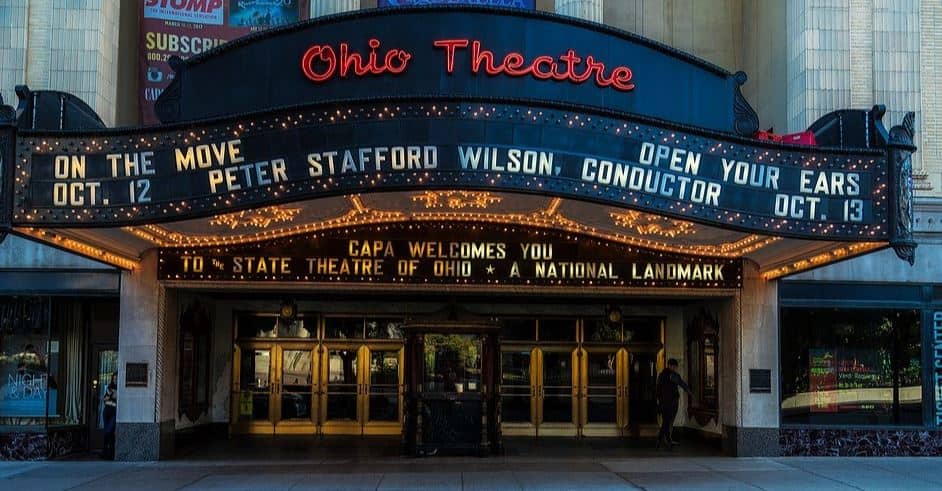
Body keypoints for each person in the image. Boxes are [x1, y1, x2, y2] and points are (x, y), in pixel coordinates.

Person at [655, 358, 690, 450]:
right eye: (674, 366)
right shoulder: (673, 375)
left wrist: (659, 402)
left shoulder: (661, 375)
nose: (675, 368)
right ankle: (665, 440)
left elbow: (658, 390)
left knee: (666, 421)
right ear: (670, 365)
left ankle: (664, 439)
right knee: (667, 421)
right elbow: (681, 383)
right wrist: (688, 391)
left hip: (664, 402)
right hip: (672, 402)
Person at [102, 372, 117, 460]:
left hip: (114, 414)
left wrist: (113, 402)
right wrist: (113, 402)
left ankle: (110, 453)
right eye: (114, 378)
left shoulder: (120, 388)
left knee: (110, 432)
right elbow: (105, 400)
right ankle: (106, 453)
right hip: (107, 412)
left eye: (116, 379)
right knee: (107, 433)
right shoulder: (109, 388)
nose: (115, 380)